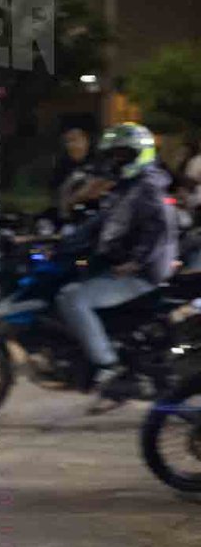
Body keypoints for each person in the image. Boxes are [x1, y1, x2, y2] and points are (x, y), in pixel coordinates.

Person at [56, 123, 179, 401]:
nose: (117, 160)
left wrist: (135, 262)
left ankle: (108, 366)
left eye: (123, 154)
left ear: (140, 154)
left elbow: (160, 230)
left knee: (72, 299)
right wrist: (59, 242)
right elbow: (100, 223)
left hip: (142, 273)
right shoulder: (128, 186)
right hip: (122, 265)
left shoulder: (148, 187)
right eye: (114, 155)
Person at [50, 127, 94, 217]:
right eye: (68, 141)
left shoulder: (98, 162)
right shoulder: (62, 165)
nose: (72, 145)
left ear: (86, 142)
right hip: (68, 212)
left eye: (76, 140)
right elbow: (57, 190)